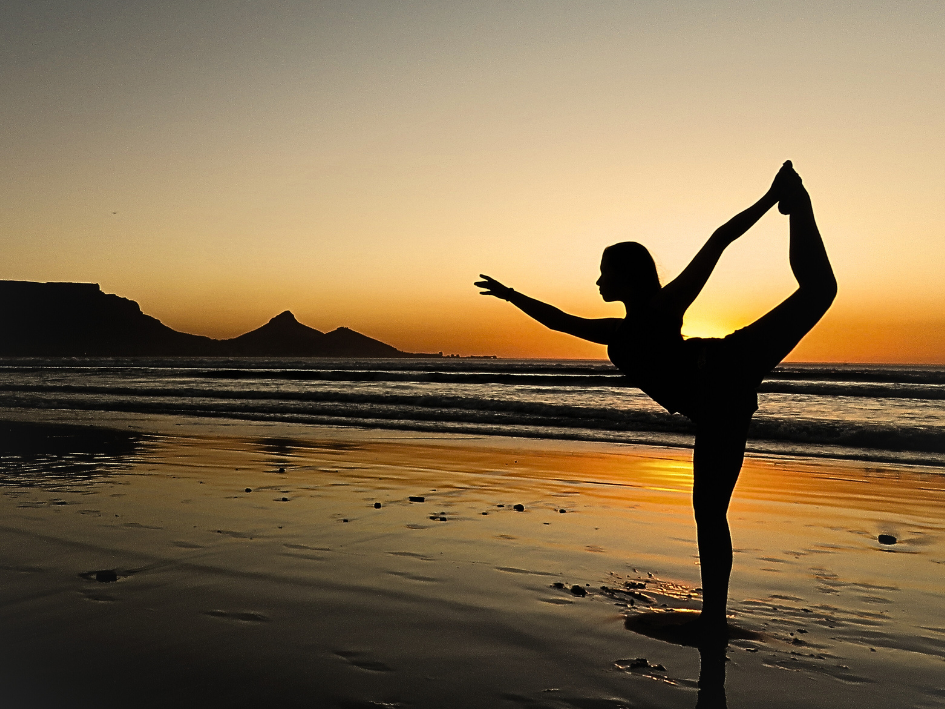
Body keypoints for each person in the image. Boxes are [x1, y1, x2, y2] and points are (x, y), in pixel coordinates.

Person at [475, 161, 836, 639]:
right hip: (718, 405)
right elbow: (558, 320)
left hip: (727, 368)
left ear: (627, 278)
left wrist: (771, 201)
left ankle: (796, 201)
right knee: (709, 512)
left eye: (605, 274)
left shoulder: (664, 308)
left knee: (819, 291)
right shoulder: (616, 331)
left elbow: (718, 241)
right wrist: (512, 296)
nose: (599, 282)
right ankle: (714, 616)